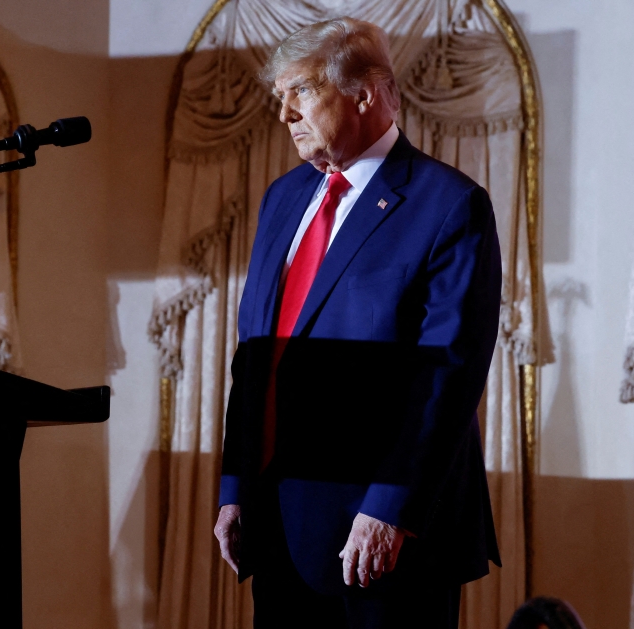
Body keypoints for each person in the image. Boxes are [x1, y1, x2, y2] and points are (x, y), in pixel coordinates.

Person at [212, 17, 502, 629]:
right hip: (280, 525)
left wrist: (389, 508)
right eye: (279, 97)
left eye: (302, 92)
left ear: (365, 94)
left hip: (384, 538)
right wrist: (235, 486)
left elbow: (447, 375)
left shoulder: (448, 204)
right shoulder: (283, 198)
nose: (285, 113)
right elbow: (255, 356)